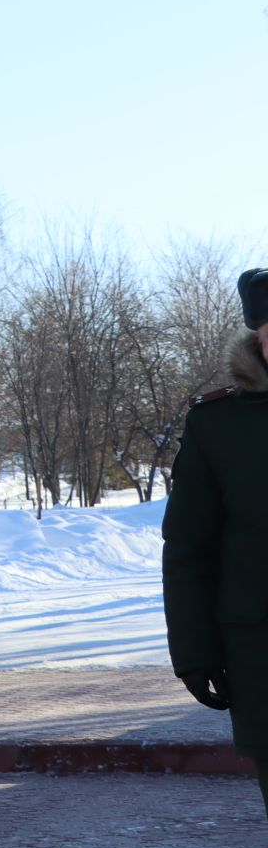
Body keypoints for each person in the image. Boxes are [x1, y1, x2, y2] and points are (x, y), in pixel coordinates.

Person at [163, 268, 268, 819]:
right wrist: (195, 652)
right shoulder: (218, 424)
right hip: (261, 655)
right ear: (257, 335)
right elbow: (188, 549)